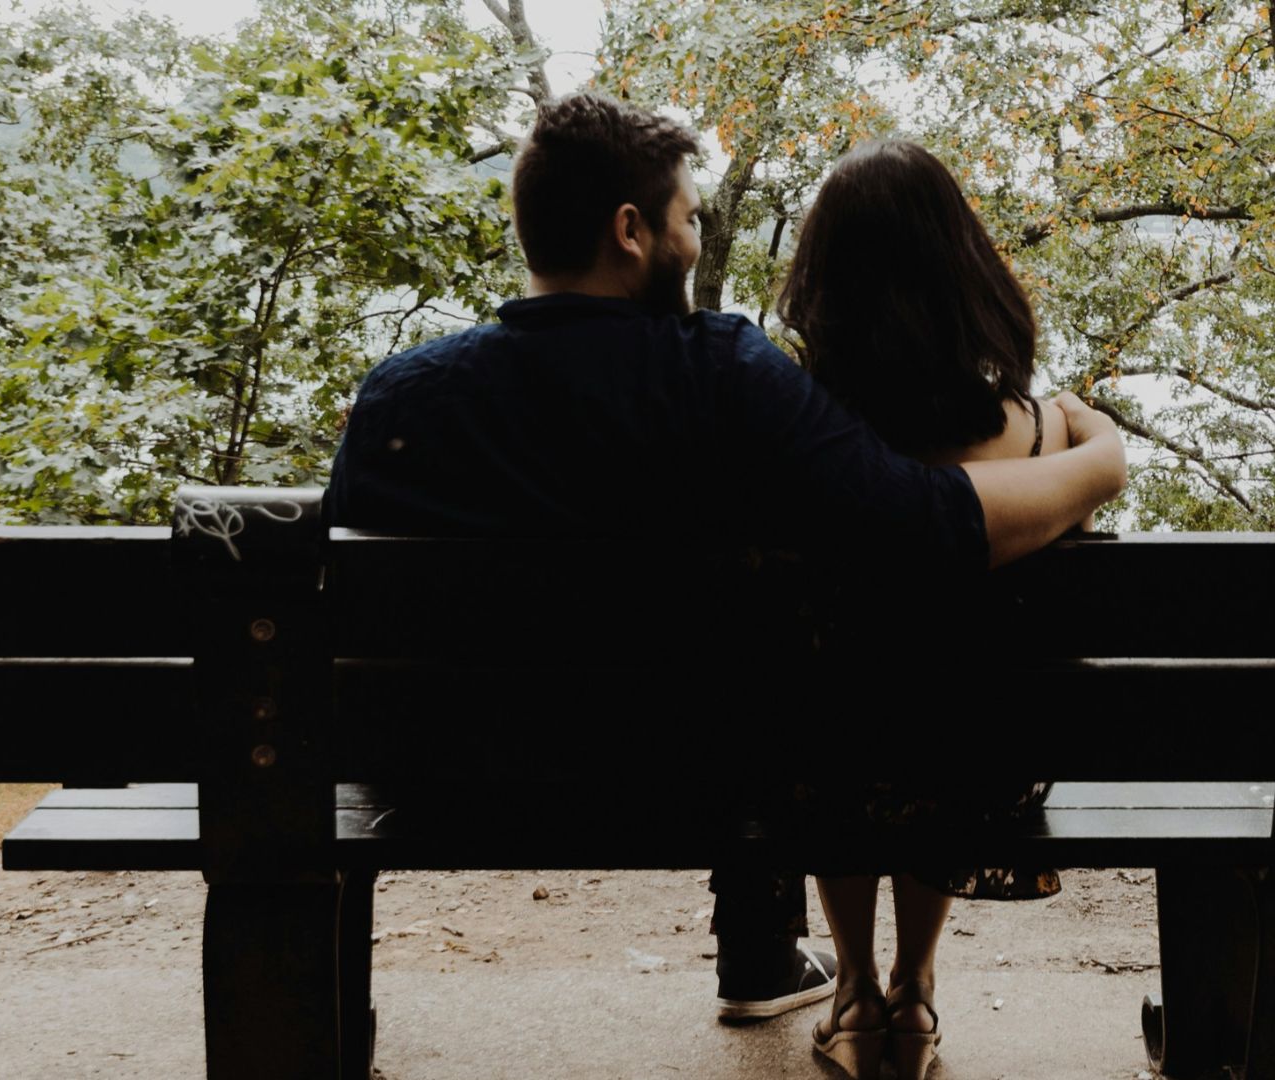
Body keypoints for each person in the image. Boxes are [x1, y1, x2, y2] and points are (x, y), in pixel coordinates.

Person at [323, 93, 1127, 1025]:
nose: (696, 237)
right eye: (689, 217)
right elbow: (919, 525)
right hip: (673, 782)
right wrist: (1098, 462)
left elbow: (349, 604)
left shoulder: (399, 398)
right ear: (631, 232)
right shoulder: (720, 377)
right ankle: (773, 955)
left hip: (428, 780)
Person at [776, 139, 1110, 1080]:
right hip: (980, 770)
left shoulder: (793, 430)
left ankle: (853, 988)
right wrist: (1100, 437)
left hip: (814, 769)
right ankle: (914, 991)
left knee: (829, 714)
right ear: (965, 272)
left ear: (823, 284)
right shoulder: (1044, 437)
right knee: (949, 710)